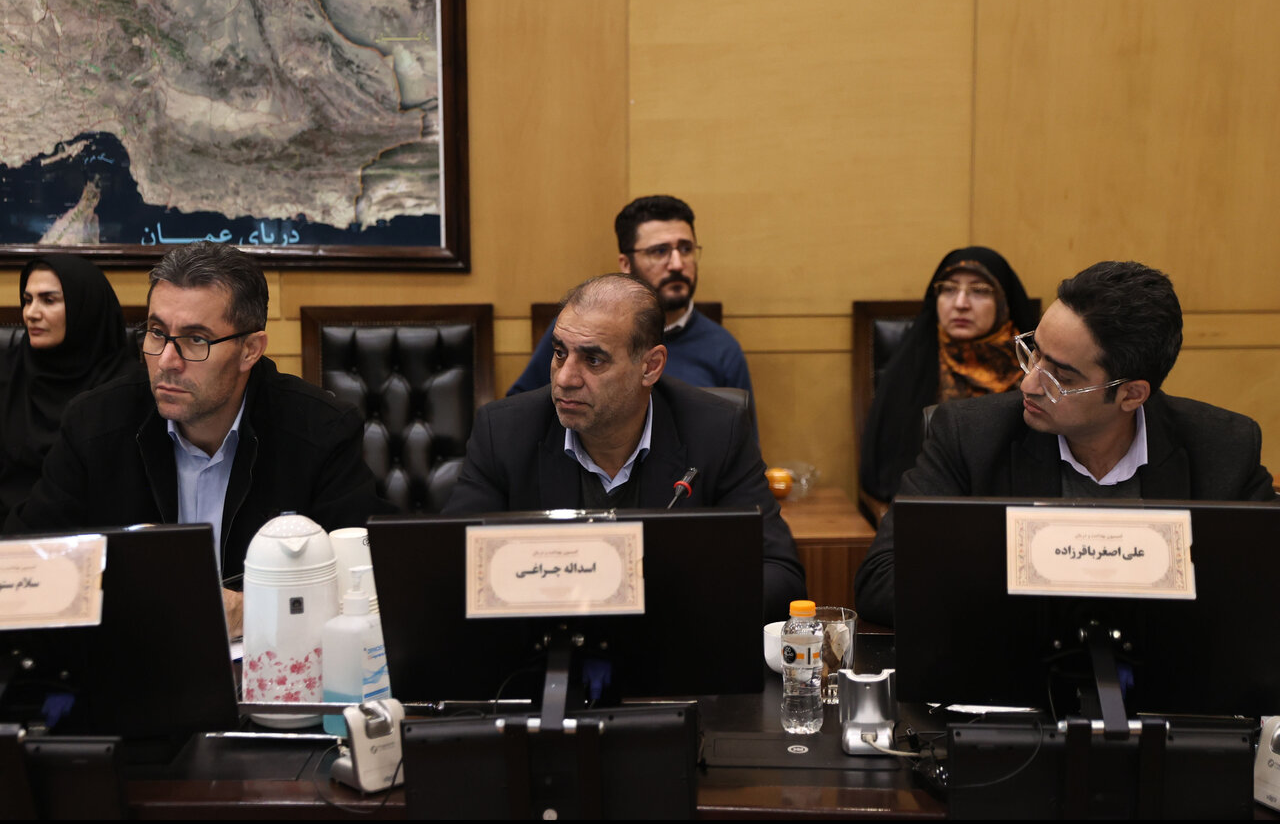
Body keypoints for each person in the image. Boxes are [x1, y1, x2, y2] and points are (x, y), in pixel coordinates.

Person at [854, 261, 1275, 627]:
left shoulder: (1223, 447)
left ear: (1131, 395)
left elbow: (1262, 584)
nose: (1029, 384)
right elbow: (882, 579)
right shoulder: (969, 436)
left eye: (1061, 377)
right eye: (1034, 354)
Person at [5, 242, 396, 631]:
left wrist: (252, 608)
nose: (166, 361)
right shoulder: (95, 422)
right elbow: (21, 566)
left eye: (196, 340)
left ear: (250, 350)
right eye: (157, 333)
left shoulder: (319, 431)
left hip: (267, 657)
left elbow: (368, 581)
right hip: (129, 654)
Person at [446, 273, 805, 622]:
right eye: (559, 353)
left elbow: (780, 576)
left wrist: (668, 605)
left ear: (650, 366)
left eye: (593, 360)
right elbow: (450, 569)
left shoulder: (716, 432)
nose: (565, 378)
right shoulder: (504, 432)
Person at [506, 195, 754, 399]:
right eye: (660, 251)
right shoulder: (580, 331)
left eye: (686, 249)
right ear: (626, 264)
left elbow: (740, 439)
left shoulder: (723, 348)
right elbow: (520, 412)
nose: (677, 264)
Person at [860, 246, 1038, 506]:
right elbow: (887, 473)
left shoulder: (1036, 366)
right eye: (949, 289)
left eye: (979, 291)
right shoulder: (912, 364)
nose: (960, 303)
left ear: (1004, 300)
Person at [0, 254, 141, 523]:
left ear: (84, 308)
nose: (31, 313)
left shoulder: (126, 387)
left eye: (48, 300)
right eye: (27, 300)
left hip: (93, 535)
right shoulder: (9, 371)